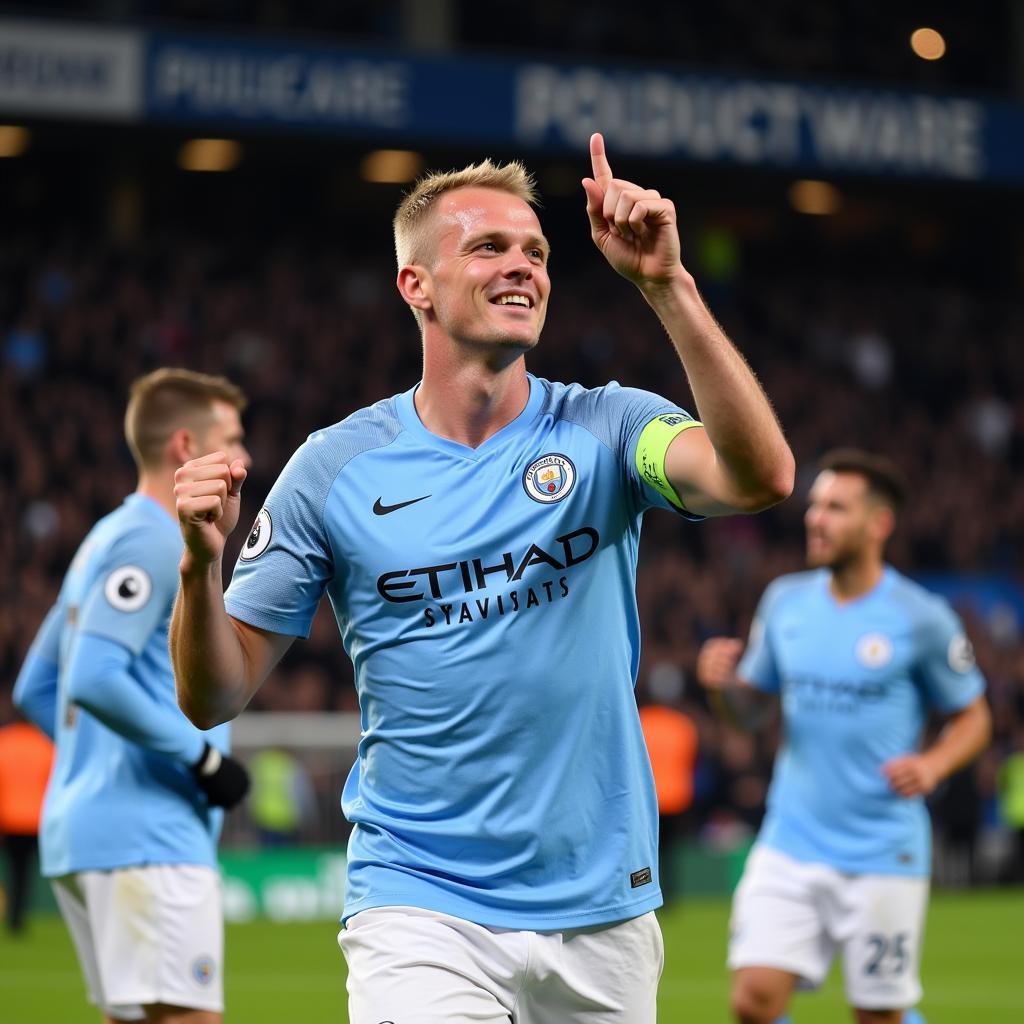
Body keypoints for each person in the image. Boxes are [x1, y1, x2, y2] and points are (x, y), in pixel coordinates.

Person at [170, 133, 794, 1023]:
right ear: (414, 285)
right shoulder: (334, 469)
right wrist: (199, 569)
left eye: (537, 252)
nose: (523, 267)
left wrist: (669, 288)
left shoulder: (610, 428)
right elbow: (212, 693)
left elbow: (759, 478)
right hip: (420, 900)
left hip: (602, 905)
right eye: (489, 248)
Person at [696, 448, 991, 1024]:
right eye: (815, 505)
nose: (816, 518)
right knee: (752, 1001)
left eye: (836, 507)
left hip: (882, 847)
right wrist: (719, 688)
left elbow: (974, 717)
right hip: (791, 840)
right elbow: (750, 715)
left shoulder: (920, 617)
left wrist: (933, 765)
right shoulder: (785, 602)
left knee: (876, 1015)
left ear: (878, 524)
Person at [13, 368, 252, 1024]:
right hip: (148, 837)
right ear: (184, 447)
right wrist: (198, 759)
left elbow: (39, 686)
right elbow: (91, 678)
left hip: (91, 836)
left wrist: (99, 760)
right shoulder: (157, 538)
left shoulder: (101, 539)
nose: (244, 458)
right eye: (229, 439)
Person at [0, 711, 54, 934]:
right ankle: (17, 918)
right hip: (35, 819)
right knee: (23, 872)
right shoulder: (45, 743)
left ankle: (12, 914)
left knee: (12, 868)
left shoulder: (4, 741)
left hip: (7, 817)